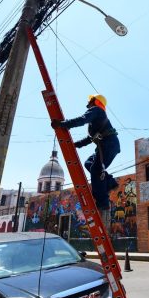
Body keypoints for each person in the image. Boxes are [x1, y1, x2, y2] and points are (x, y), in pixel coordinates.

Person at [51, 94, 120, 225]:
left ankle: (103, 203)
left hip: (109, 145)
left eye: (90, 99)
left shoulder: (96, 111)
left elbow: (82, 119)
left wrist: (63, 124)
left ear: (95, 101)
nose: (88, 101)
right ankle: (110, 182)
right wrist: (75, 145)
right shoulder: (97, 119)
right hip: (106, 146)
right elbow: (90, 139)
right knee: (89, 163)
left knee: (96, 169)